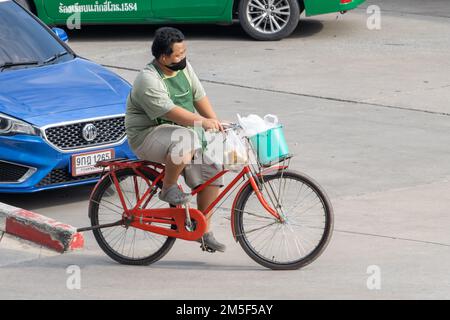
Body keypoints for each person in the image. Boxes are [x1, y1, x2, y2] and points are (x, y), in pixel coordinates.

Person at [125, 27, 226, 252]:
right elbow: (170, 112)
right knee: (187, 137)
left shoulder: (185, 68)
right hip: (147, 135)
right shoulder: (147, 80)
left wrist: (214, 122)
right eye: (178, 54)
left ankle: (203, 232)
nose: (183, 57)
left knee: (212, 170)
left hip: (178, 133)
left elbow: (199, 96)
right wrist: (202, 123)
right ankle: (168, 187)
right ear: (163, 58)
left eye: (184, 52)